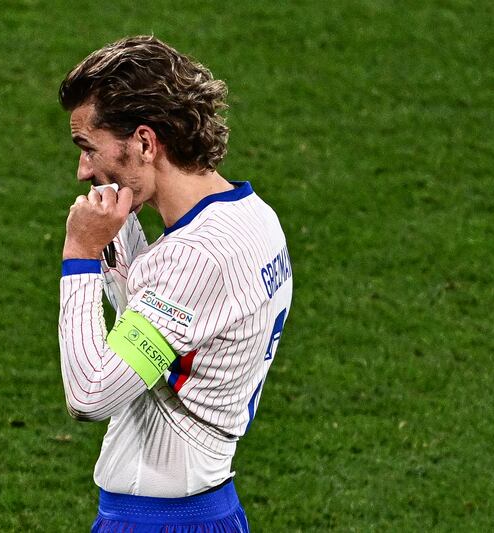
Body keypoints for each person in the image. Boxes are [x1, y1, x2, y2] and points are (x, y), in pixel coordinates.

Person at [57, 35, 293, 532]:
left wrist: (79, 254)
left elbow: (91, 394)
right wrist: (118, 232)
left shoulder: (196, 257)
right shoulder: (255, 217)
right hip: (207, 510)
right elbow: (157, 317)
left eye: (87, 147)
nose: (82, 170)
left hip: (158, 522)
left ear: (145, 142)